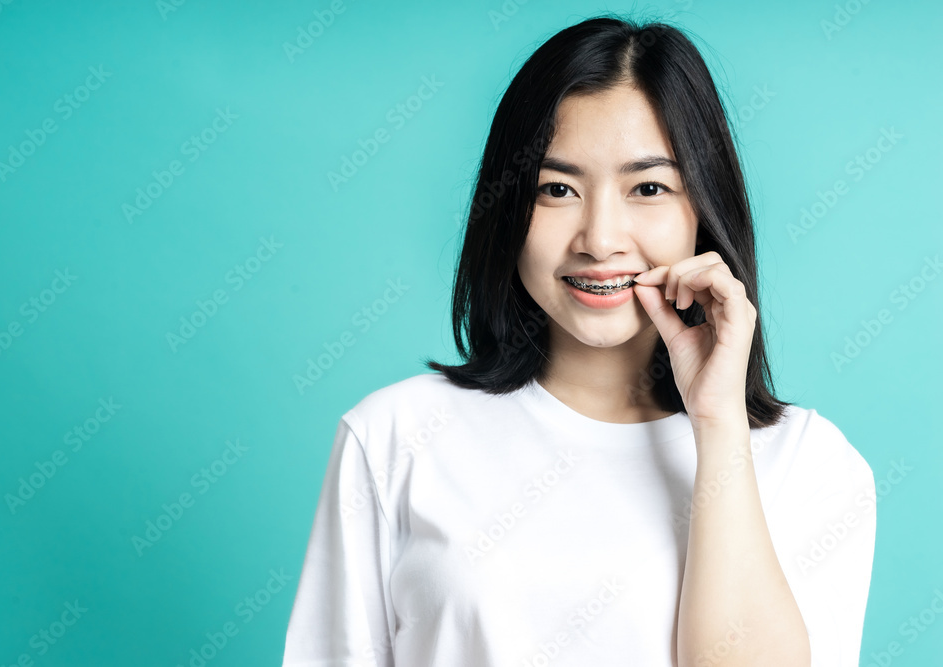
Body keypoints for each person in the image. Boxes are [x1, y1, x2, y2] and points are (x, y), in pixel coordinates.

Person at [282, 14, 876, 667]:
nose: (598, 238)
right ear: (508, 205)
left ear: (704, 210)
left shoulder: (811, 464)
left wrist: (718, 422)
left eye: (648, 187)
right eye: (557, 187)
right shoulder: (394, 436)